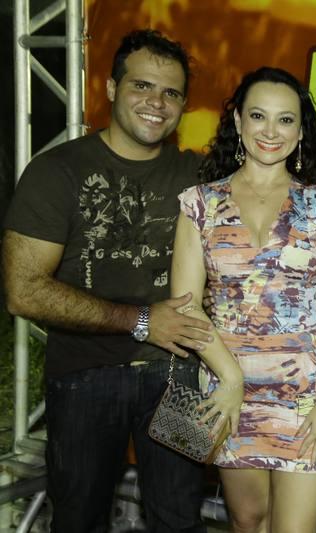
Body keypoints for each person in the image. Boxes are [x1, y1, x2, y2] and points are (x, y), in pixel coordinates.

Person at [2, 29, 211, 531]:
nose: (157, 103)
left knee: (182, 517)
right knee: (79, 518)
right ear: (112, 88)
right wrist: (141, 320)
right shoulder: (58, 171)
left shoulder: (199, 174)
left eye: (171, 92)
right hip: (84, 377)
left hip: (180, 376)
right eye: (142, 86)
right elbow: (23, 291)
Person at [171, 66, 316, 533]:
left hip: (307, 398)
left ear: (300, 131)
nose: (271, 131)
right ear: (238, 121)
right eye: (258, 116)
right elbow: (185, 306)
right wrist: (231, 377)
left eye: (285, 120)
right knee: (248, 519)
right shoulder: (199, 203)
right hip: (226, 390)